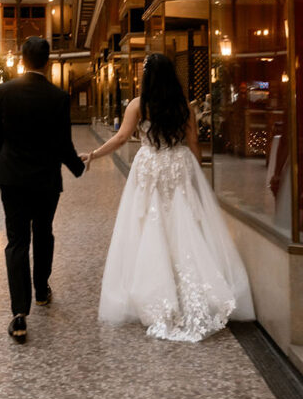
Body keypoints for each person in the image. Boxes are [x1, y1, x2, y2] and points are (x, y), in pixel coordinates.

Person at [81, 53, 254, 343]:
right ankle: (188, 287)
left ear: (146, 77)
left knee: (150, 223)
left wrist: (94, 155)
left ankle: (156, 290)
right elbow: (194, 144)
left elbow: (122, 137)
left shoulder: (139, 105)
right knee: (182, 222)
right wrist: (199, 178)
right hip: (178, 164)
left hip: (150, 166)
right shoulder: (184, 105)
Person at [0, 36, 85, 343]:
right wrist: (78, 166)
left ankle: (19, 314)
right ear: (48, 61)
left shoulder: (5, 91)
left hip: (12, 177)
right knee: (44, 232)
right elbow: (62, 143)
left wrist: (11, 157)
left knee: (17, 241)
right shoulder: (58, 97)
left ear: (22, 59)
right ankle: (41, 290)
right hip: (45, 179)